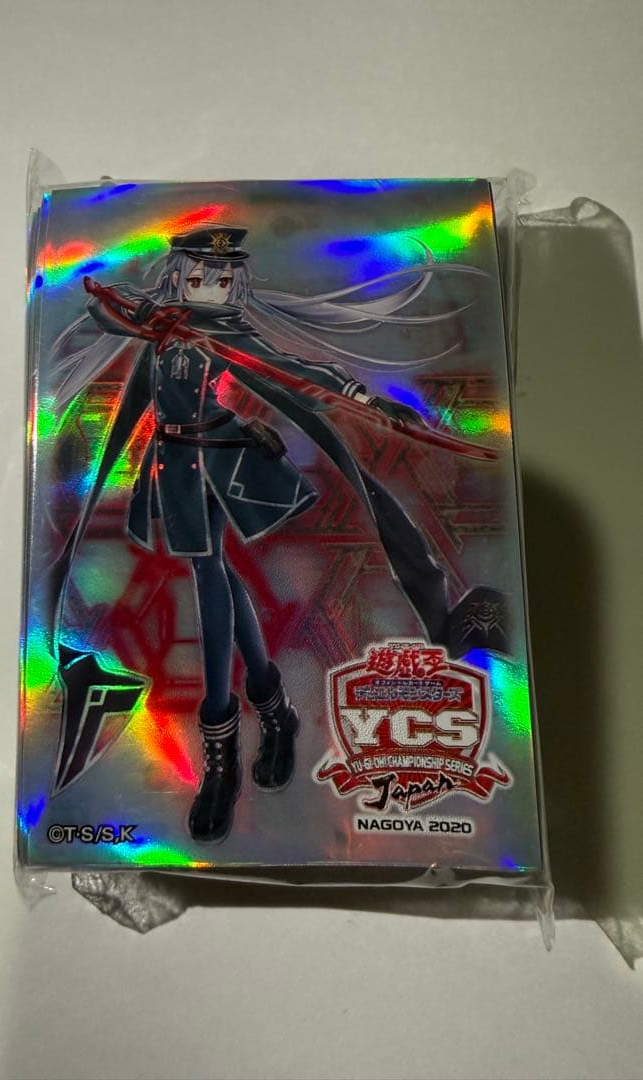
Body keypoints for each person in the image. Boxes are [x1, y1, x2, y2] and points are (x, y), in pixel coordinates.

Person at [47, 225, 502, 842]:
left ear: (235, 284)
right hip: (174, 466)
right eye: (197, 275)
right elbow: (102, 309)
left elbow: (295, 371)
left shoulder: (228, 333)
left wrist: (367, 399)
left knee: (209, 578)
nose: (210, 286)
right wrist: (139, 308)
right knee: (216, 575)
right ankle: (274, 707)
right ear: (177, 275)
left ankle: (220, 748)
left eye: (221, 278)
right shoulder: (163, 327)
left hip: (221, 462)